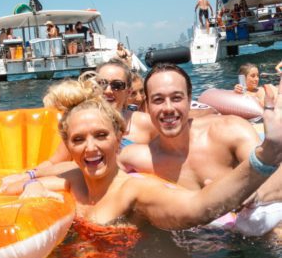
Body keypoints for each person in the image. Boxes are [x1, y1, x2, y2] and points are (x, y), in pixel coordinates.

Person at [4, 73, 282, 231]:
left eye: (101, 136)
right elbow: (41, 175)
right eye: (78, 140)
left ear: (118, 138)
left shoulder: (136, 189)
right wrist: (31, 185)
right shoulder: (75, 179)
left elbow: (199, 207)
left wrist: (267, 154)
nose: (90, 147)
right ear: (68, 144)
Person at [119, 64, 282, 234]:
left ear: (189, 99)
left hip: (253, 240)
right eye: (158, 100)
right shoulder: (135, 158)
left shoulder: (228, 130)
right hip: (197, 247)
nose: (168, 108)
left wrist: (253, 194)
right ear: (147, 105)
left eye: (176, 98)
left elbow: (276, 177)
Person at [0, 60, 158, 190]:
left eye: (117, 85)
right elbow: (55, 162)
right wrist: (27, 176)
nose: (108, 90)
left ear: (129, 91)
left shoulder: (146, 124)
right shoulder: (80, 124)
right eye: (102, 83)